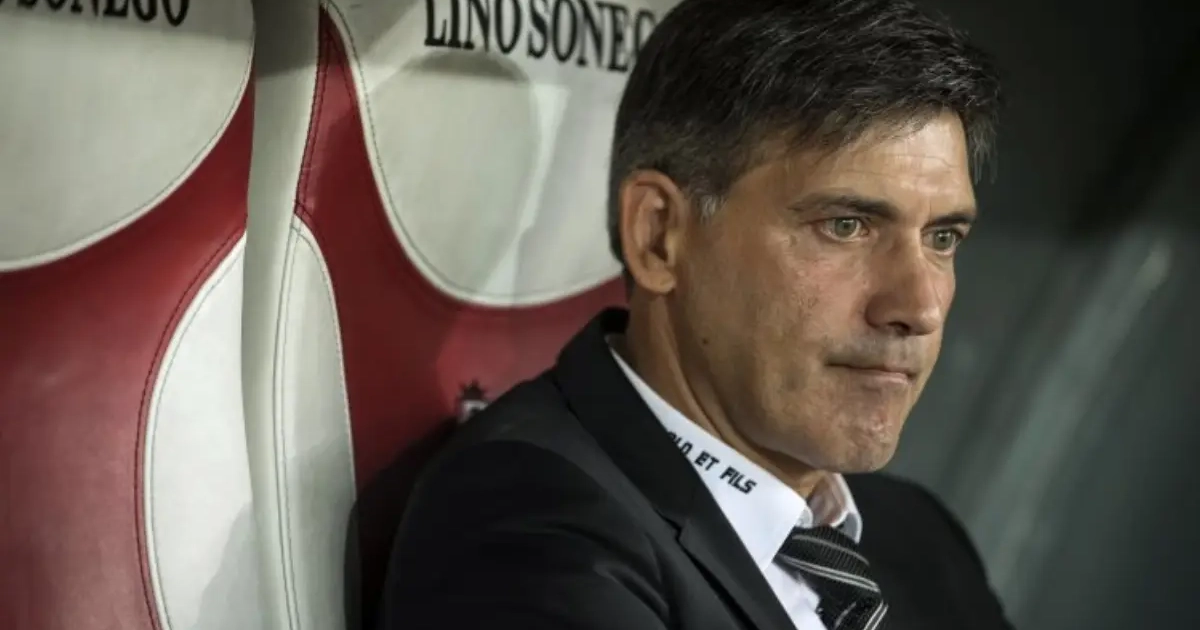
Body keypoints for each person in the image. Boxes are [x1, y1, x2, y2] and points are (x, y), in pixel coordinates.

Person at [377, 0, 1011, 628]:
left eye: (942, 238)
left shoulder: (920, 540)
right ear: (660, 236)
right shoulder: (530, 530)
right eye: (845, 226)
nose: (919, 307)